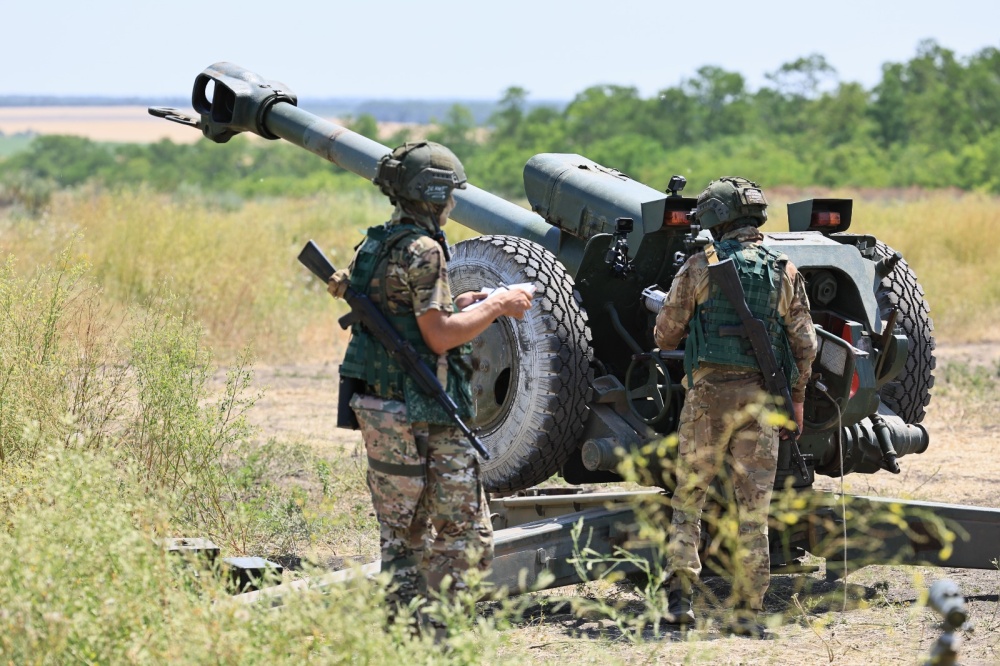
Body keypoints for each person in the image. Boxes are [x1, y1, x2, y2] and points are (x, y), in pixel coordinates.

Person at [328, 142, 533, 630]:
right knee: (464, 535)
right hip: (426, 410)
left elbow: (403, 316)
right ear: (436, 194)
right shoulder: (425, 250)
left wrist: (466, 302)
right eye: (451, 196)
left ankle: (400, 636)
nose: (454, 205)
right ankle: (442, 637)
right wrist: (500, 305)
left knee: (401, 533)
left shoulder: (376, 244)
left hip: (381, 406)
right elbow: (438, 336)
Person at [654, 176, 817, 635]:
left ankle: (680, 601)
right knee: (754, 508)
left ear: (718, 218)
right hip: (762, 403)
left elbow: (665, 334)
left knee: (689, 498)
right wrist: (798, 400)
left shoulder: (698, 267)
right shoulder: (784, 270)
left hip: (706, 399)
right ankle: (747, 609)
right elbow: (805, 345)